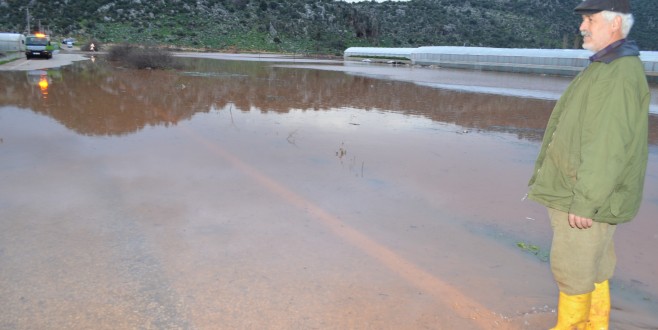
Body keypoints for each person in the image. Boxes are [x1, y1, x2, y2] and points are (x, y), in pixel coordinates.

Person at [526, 0, 650, 329]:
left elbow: (607, 144)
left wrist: (586, 200)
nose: (582, 26)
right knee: (594, 267)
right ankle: (596, 325)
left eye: (590, 19)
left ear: (614, 24)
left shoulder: (617, 71)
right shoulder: (609, 65)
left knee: (574, 272)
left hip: (582, 197)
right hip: (589, 194)